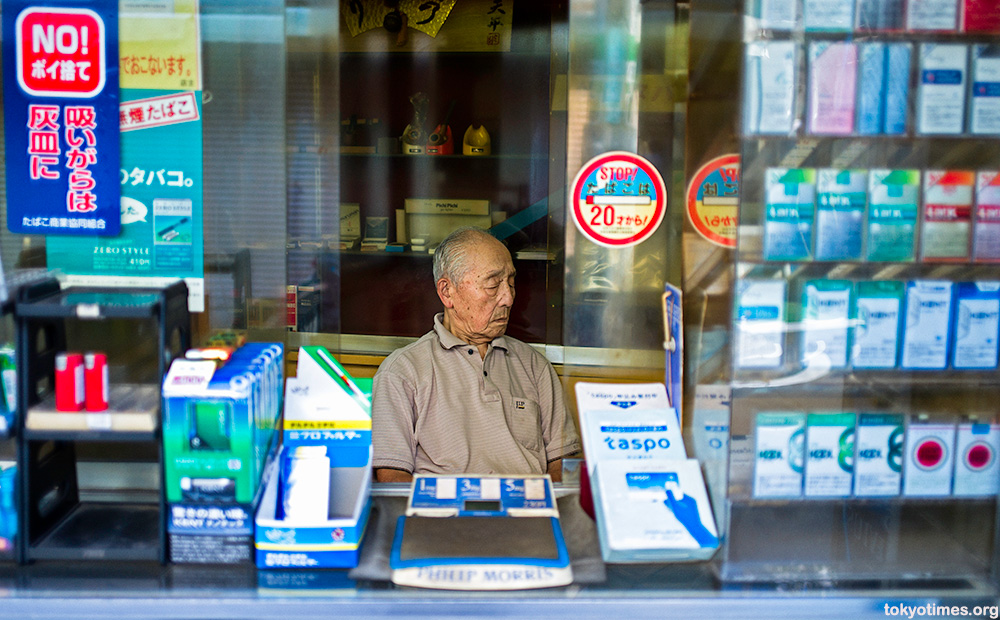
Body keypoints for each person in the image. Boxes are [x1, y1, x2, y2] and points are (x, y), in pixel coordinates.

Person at [372, 226, 581, 483]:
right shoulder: (403, 371)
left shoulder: (534, 366)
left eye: (511, 283)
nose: (508, 298)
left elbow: (563, 461)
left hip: (526, 512)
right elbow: (392, 476)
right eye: (493, 285)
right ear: (447, 291)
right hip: (442, 515)